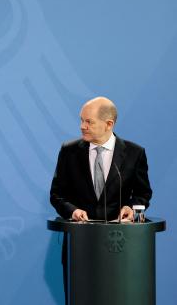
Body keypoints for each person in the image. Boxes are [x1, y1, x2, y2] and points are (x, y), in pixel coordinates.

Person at [49, 96, 152, 303]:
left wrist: (131, 208)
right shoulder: (69, 151)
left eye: (88, 122)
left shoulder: (134, 153)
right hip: (80, 245)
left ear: (109, 124)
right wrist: (72, 211)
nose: (82, 126)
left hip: (121, 247)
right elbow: (57, 194)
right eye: (81, 120)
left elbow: (143, 193)